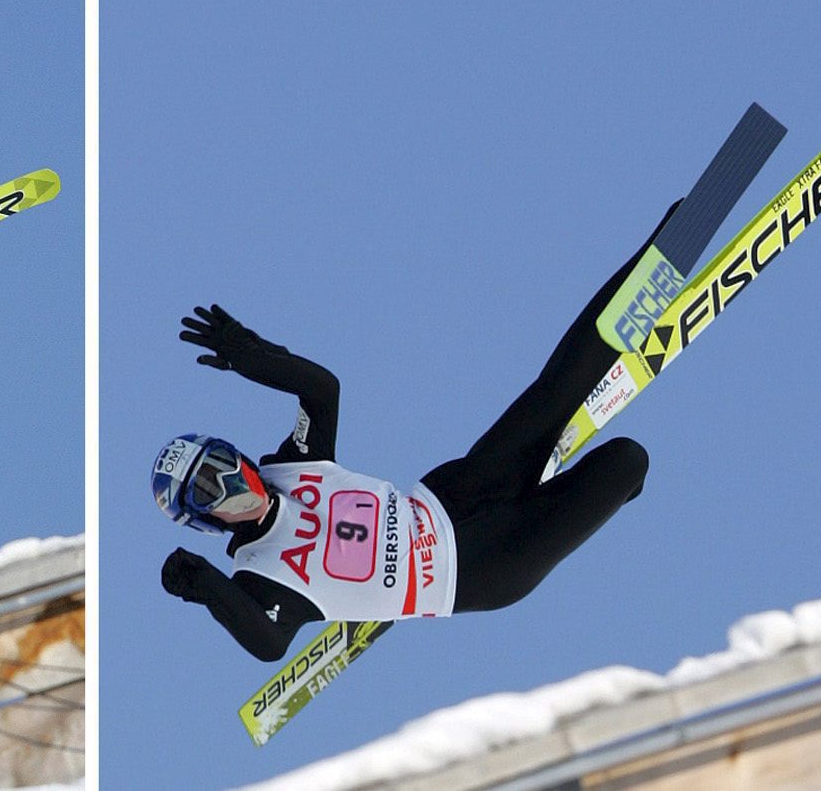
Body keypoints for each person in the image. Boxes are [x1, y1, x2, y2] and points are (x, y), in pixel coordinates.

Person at [152, 204, 688, 661]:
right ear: (206, 522)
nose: (230, 482)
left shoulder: (291, 466)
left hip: (456, 494)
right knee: (627, 460)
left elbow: (322, 391)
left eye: (223, 463)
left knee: (558, 386)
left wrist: (253, 356)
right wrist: (204, 585)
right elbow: (268, 643)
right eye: (208, 490)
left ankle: (663, 249)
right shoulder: (260, 577)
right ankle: (589, 488)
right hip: (483, 568)